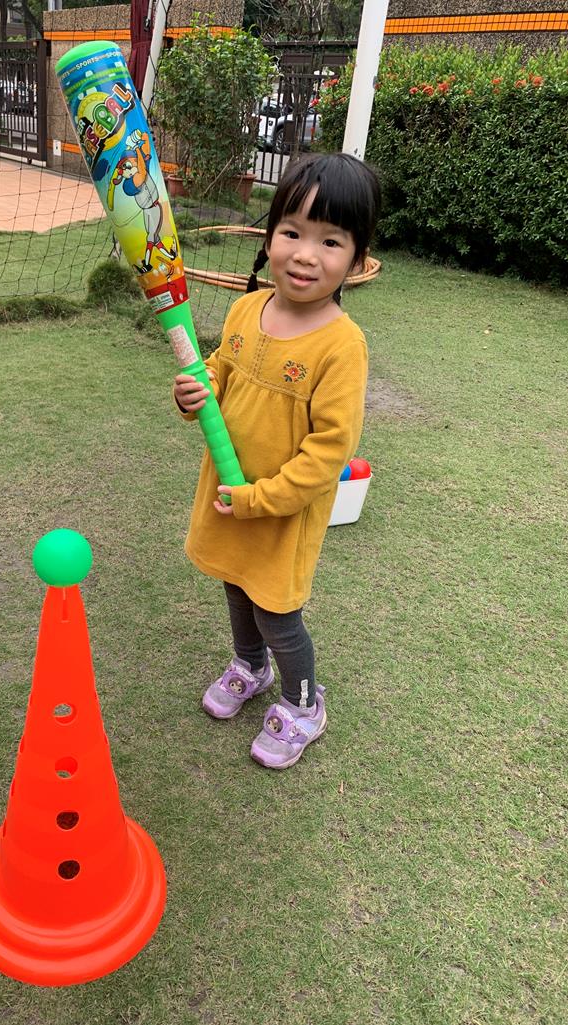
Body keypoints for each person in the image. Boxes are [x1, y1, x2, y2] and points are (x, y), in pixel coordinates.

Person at [174, 152, 381, 770]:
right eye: (292, 232)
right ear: (268, 237)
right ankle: (249, 665)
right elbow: (221, 370)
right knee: (236, 585)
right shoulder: (247, 308)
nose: (306, 255)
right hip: (229, 493)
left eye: (331, 241)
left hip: (279, 511)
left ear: (357, 259)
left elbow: (328, 452)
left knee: (277, 612)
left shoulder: (342, 345)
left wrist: (259, 500)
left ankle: (303, 704)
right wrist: (198, 391)